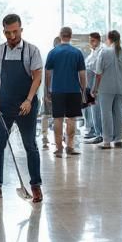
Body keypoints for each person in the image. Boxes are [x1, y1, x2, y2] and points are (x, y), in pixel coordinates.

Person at [0, 14, 44, 204]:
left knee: (30, 145)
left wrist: (29, 100)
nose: (12, 36)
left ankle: (36, 187)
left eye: (15, 32)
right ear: (3, 31)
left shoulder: (32, 51)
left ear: (21, 30)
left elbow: (37, 77)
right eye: (8, 32)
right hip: (4, 104)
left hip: (26, 106)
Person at [45, 27, 87, 158]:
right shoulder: (77, 53)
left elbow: (47, 74)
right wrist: (83, 91)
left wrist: (48, 90)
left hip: (57, 90)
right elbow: (82, 75)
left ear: (60, 36)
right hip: (73, 90)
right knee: (71, 119)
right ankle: (70, 146)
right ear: (71, 36)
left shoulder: (53, 52)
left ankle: (58, 148)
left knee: (57, 119)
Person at [92, 29, 122, 149]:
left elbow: (98, 73)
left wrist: (94, 88)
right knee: (119, 112)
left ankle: (107, 141)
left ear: (109, 39)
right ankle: (119, 140)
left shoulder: (104, 52)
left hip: (106, 88)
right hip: (120, 88)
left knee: (106, 113)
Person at [83, 32, 103, 143]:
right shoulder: (93, 52)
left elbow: (97, 70)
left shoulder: (101, 52)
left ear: (97, 40)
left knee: (96, 109)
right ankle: (92, 130)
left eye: (92, 40)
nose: (90, 43)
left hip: (94, 84)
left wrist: (94, 88)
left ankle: (98, 133)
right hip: (88, 84)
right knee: (90, 109)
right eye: (90, 40)